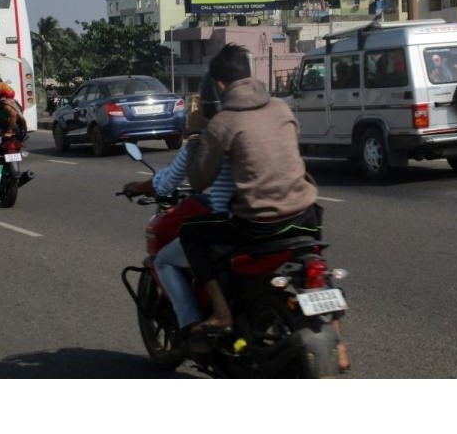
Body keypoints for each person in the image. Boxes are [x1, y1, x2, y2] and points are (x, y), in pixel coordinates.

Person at [179, 43, 350, 371]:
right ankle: (340, 347)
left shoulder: (223, 122)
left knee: (190, 234)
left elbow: (199, 181)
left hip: (260, 224)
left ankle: (221, 311)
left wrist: (195, 137)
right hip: (306, 216)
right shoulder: (283, 109)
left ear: (219, 84)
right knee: (315, 263)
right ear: (249, 75)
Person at [122, 86, 235, 333]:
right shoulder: (245, 132)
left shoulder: (199, 144)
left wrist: (140, 187)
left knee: (166, 259)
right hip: (285, 216)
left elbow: (166, 182)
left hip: (235, 222)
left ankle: (191, 325)